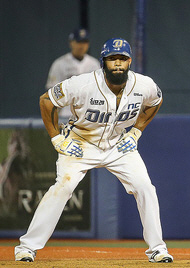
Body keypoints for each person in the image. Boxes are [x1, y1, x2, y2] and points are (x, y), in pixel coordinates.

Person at [14, 38, 173, 263]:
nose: (117, 63)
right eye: (112, 59)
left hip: (118, 144)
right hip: (80, 142)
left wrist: (136, 131)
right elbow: (47, 101)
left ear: (129, 62)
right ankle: (27, 247)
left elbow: (156, 100)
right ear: (103, 62)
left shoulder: (143, 84)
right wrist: (56, 138)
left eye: (122, 59)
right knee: (64, 186)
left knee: (145, 187)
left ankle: (158, 249)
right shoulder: (81, 84)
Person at [45, 28, 100, 118]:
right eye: (78, 42)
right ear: (71, 43)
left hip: (89, 114)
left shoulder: (94, 64)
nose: (81, 46)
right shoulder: (59, 64)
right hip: (66, 113)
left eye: (85, 42)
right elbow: (52, 92)